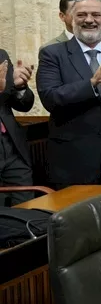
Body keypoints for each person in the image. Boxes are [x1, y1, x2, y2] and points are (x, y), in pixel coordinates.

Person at [37, 0, 101, 186]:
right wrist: (91, 83)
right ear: (71, 18)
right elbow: (50, 97)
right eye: (82, 15)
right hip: (74, 156)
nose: (89, 20)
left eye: (96, 14)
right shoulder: (53, 53)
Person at [0, 50, 35, 206]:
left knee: (26, 206)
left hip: (12, 146)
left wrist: (20, 87)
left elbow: (23, 104)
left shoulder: (1, 56)